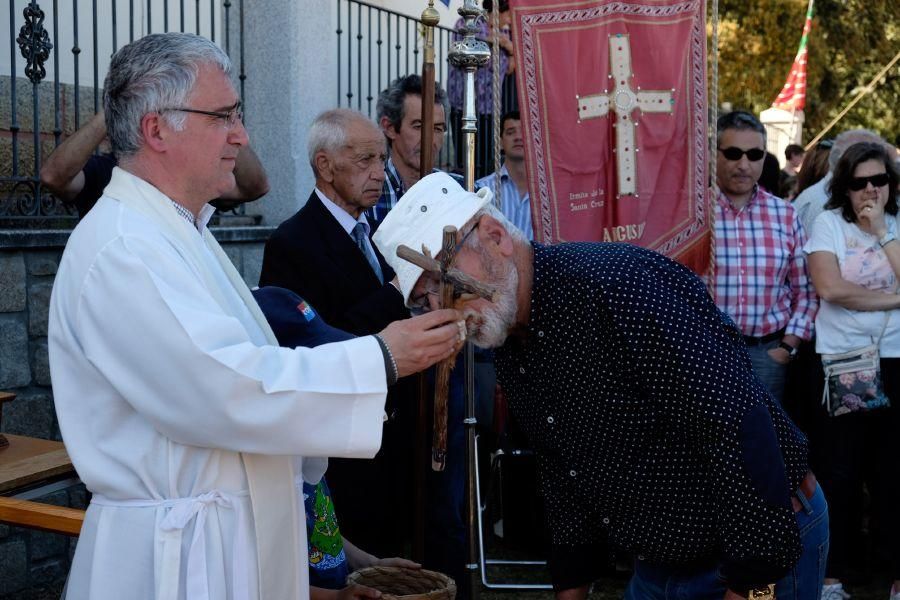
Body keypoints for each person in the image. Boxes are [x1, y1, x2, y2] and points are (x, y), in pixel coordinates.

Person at [48, 33, 465, 600]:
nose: (241, 136)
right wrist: (380, 357)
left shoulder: (180, 232)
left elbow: (258, 364)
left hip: (218, 541)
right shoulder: (123, 245)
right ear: (156, 130)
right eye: (223, 117)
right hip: (175, 564)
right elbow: (223, 389)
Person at [373, 171, 828, 600]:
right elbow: (563, 471)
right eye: (424, 300)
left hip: (760, 542)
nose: (441, 306)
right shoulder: (512, 333)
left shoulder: (617, 288)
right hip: (660, 563)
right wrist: (571, 583)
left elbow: (737, 429)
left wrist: (748, 583)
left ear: (495, 237)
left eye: (443, 282)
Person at [258, 109, 416, 558]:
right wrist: (396, 291)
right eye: (364, 159)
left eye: (381, 159)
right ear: (325, 165)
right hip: (342, 448)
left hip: (392, 434)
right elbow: (311, 342)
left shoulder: (377, 234)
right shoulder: (292, 242)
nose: (377, 173)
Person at [252, 286, 421, 600]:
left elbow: (316, 524)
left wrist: (365, 561)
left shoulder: (304, 444)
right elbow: (253, 575)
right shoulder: (252, 466)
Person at [804, 142, 900, 600]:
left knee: (893, 472)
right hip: (843, 361)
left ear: (890, 184)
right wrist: (896, 298)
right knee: (839, 472)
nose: (869, 190)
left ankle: (893, 570)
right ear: (844, 186)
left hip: (897, 359)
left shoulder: (896, 223)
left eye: (878, 181)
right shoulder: (828, 224)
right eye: (859, 182)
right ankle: (834, 574)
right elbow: (830, 286)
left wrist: (881, 230)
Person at [712, 111, 817, 403]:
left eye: (754, 154)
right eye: (733, 153)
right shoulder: (693, 215)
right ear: (714, 153)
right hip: (707, 355)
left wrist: (788, 346)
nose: (744, 165)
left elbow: (806, 291)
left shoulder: (785, 215)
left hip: (767, 356)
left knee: (766, 443)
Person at [39, 109, 270, 218]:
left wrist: (226, 117)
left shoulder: (190, 170)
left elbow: (255, 186)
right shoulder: (106, 171)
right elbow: (53, 177)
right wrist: (116, 107)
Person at [368, 74, 451, 230]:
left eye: (438, 129)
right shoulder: (367, 193)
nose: (430, 140)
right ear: (389, 128)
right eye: (418, 126)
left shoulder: (457, 189)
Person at [447, 0, 516, 179]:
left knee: (486, 160)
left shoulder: (506, 33)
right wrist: (492, 39)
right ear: (498, 10)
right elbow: (459, 51)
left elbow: (510, 67)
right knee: (464, 157)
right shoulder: (468, 23)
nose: (509, 19)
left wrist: (508, 46)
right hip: (463, 103)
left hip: (490, 108)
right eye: (508, 13)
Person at [794, 129, 892, 235]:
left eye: (879, 179)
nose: (870, 188)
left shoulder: (820, 196)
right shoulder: (824, 207)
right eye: (858, 182)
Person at [475, 110, 533, 240]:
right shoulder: (482, 190)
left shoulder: (549, 194)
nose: (518, 137)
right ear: (500, 142)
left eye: (523, 132)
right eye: (511, 132)